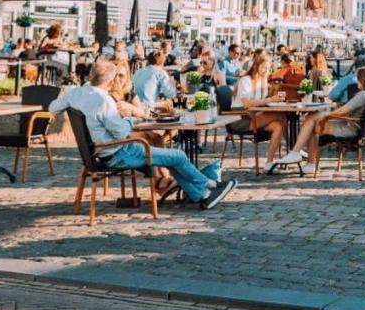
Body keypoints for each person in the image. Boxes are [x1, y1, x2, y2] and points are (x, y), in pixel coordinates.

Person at [50, 58, 236, 208]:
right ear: (109, 79)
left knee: (169, 158)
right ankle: (207, 184)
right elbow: (121, 132)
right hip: (117, 153)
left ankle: (201, 195)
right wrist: (130, 117)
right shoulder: (103, 100)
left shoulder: (76, 94)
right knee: (178, 155)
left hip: (97, 153)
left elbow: (53, 107)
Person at [271, 65, 365, 173]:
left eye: (358, 79)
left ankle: (299, 155)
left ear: (364, 80)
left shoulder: (362, 94)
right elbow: (347, 109)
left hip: (350, 130)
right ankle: (303, 158)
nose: (356, 81)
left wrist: (327, 115)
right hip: (361, 129)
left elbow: (344, 111)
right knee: (312, 119)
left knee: (312, 119)